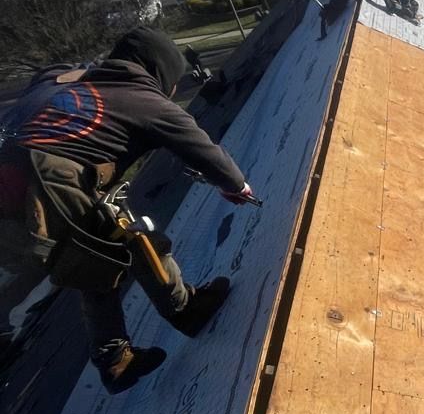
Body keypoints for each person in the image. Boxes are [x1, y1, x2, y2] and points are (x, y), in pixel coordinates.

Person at [0, 29, 256, 394]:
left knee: (110, 246)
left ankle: (131, 348)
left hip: (11, 183)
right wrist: (235, 184)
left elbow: (47, 88)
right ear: (158, 72)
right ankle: (165, 326)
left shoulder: (67, 76)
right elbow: (199, 145)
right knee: (101, 257)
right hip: (47, 187)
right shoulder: (142, 98)